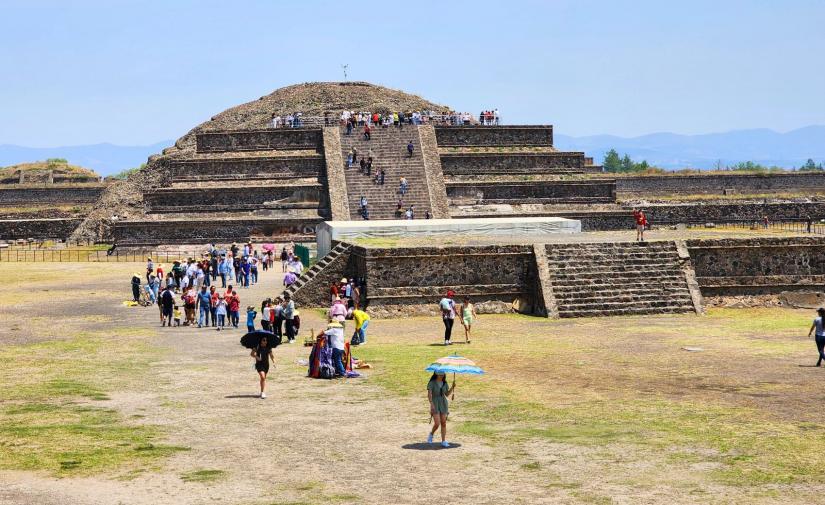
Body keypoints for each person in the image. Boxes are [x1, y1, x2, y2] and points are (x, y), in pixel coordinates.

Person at [427, 372, 455, 447]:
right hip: (435, 403)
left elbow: (446, 394)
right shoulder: (432, 383)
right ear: (436, 374)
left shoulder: (445, 383)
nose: (442, 376)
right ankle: (431, 434)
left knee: (443, 423)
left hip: (443, 403)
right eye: (440, 374)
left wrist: (452, 387)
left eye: (443, 374)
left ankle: (443, 441)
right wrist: (431, 404)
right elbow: (429, 394)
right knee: (437, 423)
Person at [251, 334, 275, 399]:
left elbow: (271, 355)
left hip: (266, 365)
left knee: (263, 379)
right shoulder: (257, 346)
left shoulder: (268, 347)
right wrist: (256, 357)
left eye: (266, 340)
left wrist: (274, 362)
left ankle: (262, 391)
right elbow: (252, 354)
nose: (265, 341)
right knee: (262, 377)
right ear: (261, 341)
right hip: (259, 364)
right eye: (264, 340)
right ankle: (263, 392)